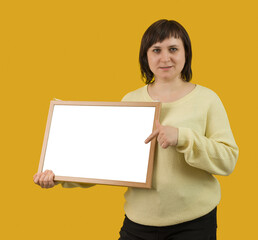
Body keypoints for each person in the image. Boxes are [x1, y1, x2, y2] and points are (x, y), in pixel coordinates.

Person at [34, 19, 239, 240]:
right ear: (146, 57)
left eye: (173, 49)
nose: (165, 57)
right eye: (156, 50)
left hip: (194, 223)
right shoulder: (130, 101)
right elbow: (109, 160)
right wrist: (60, 176)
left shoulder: (208, 99)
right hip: (139, 222)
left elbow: (228, 159)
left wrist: (182, 137)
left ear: (186, 53)